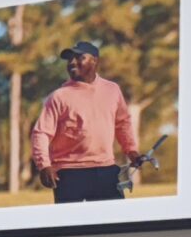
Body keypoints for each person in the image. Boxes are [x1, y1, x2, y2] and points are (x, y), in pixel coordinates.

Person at [31, 41, 139, 203]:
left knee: (114, 218)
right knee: (71, 220)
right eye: (69, 59)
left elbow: (122, 123)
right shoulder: (59, 96)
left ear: (94, 60)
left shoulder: (112, 89)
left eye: (79, 57)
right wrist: (44, 165)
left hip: (105, 170)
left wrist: (131, 151)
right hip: (68, 174)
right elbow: (41, 133)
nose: (72, 63)